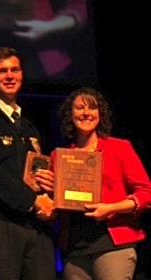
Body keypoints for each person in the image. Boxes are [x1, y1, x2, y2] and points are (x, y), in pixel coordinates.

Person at [0, 46, 57, 280]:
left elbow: (37, 173)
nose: (9, 76)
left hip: (35, 228)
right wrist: (33, 201)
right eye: (2, 71)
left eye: (14, 70)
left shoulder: (29, 126)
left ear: (22, 74)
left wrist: (49, 191)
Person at [52, 86, 151, 279]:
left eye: (92, 108)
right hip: (73, 249)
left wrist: (110, 208)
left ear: (100, 114)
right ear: (69, 114)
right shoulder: (59, 157)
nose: (86, 113)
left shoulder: (119, 148)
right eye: (80, 108)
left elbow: (147, 193)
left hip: (113, 244)